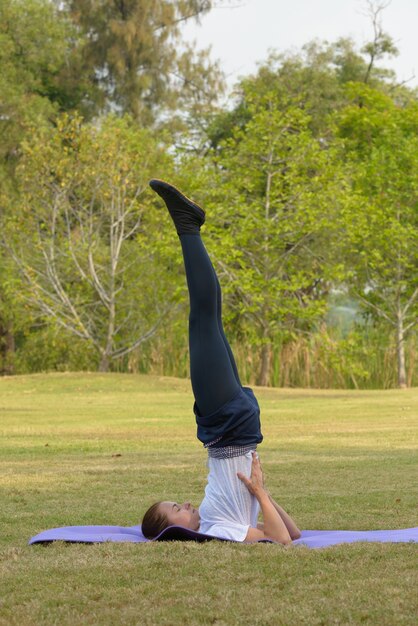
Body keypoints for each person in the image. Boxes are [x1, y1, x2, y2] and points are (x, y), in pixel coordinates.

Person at [142, 180, 301, 544]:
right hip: (226, 428)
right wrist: (259, 493)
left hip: (235, 430)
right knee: (202, 317)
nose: (184, 502)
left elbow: (291, 532)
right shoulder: (214, 526)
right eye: (176, 508)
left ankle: (188, 224)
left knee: (210, 315)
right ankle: (186, 224)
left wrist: (262, 495)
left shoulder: (219, 517)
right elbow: (284, 541)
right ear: (177, 529)